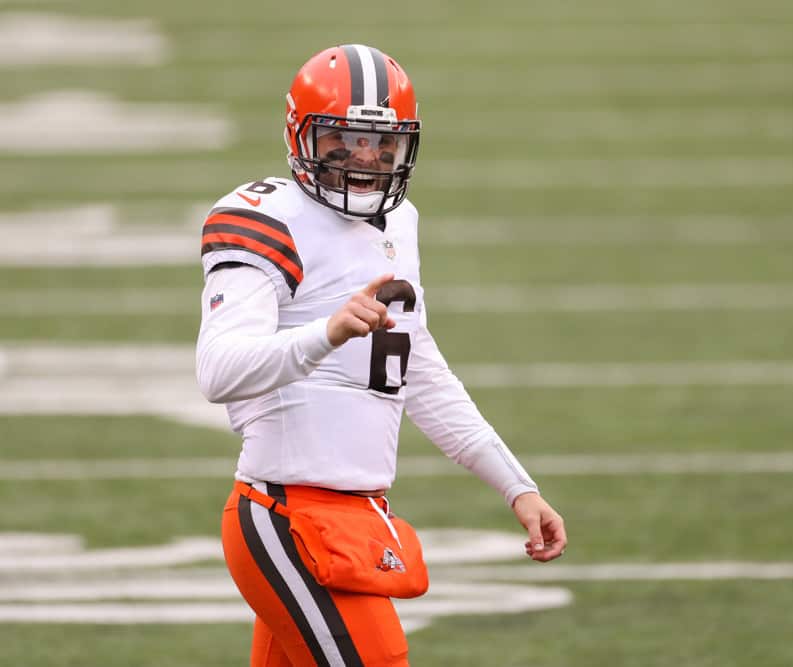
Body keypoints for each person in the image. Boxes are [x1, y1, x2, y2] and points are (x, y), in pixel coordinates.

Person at [195, 44, 567, 667]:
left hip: (357, 517)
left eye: (381, 142)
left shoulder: (400, 225)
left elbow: (418, 371)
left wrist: (516, 487)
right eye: (344, 138)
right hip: (283, 512)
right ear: (304, 137)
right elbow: (219, 372)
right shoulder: (268, 218)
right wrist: (325, 334)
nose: (365, 159)